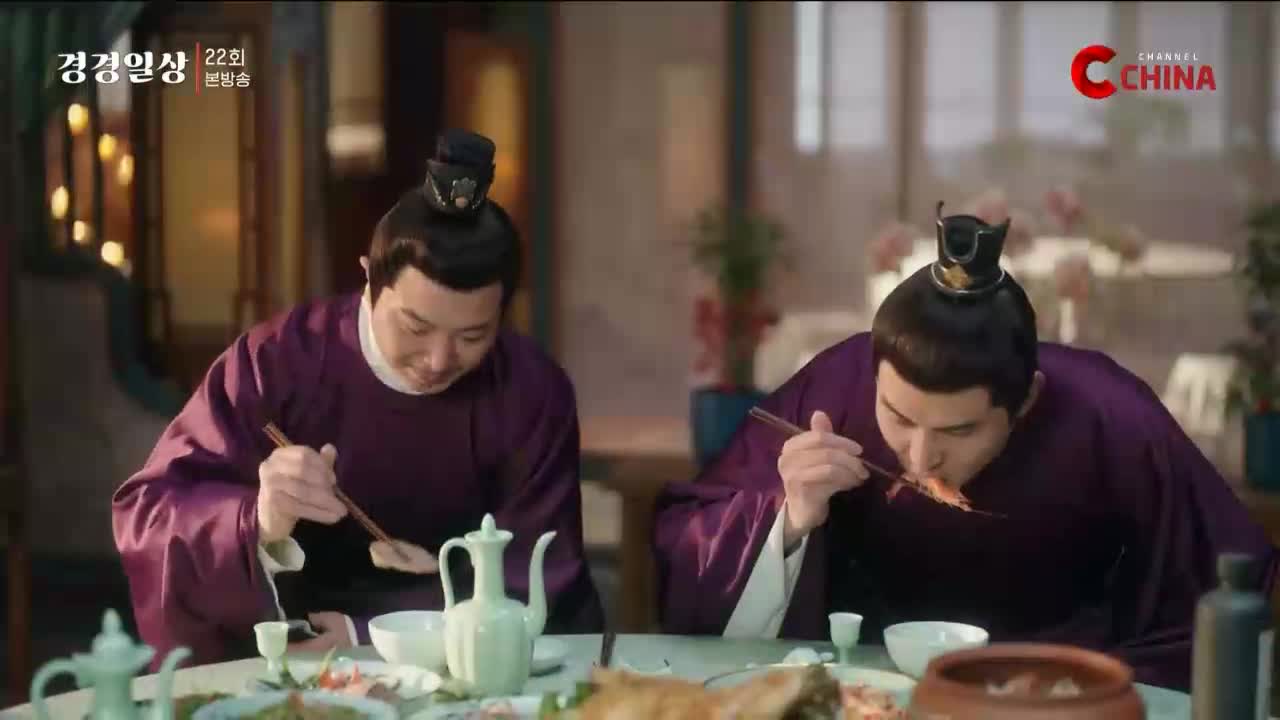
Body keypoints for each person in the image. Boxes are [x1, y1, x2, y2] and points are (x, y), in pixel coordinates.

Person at [652, 202, 1279, 691]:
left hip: (1058, 698)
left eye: (958, 431)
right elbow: (693, 550)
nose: (920, 456)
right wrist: (787, 521)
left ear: (1026, 400)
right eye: (898, 417)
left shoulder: (1110, 417)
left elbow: (1225, 586)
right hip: (864, 691)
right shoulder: (835, 390)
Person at [113, 129, 605, 667]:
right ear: (369, 278)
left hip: (467, 666)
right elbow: (150, 515)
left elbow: (541, 571)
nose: (439, 359)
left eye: (472, 336)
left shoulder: (531, 392)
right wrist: (259, 519)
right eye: (415, 327)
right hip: (296, 656)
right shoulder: (276, 363)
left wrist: (366, 633)